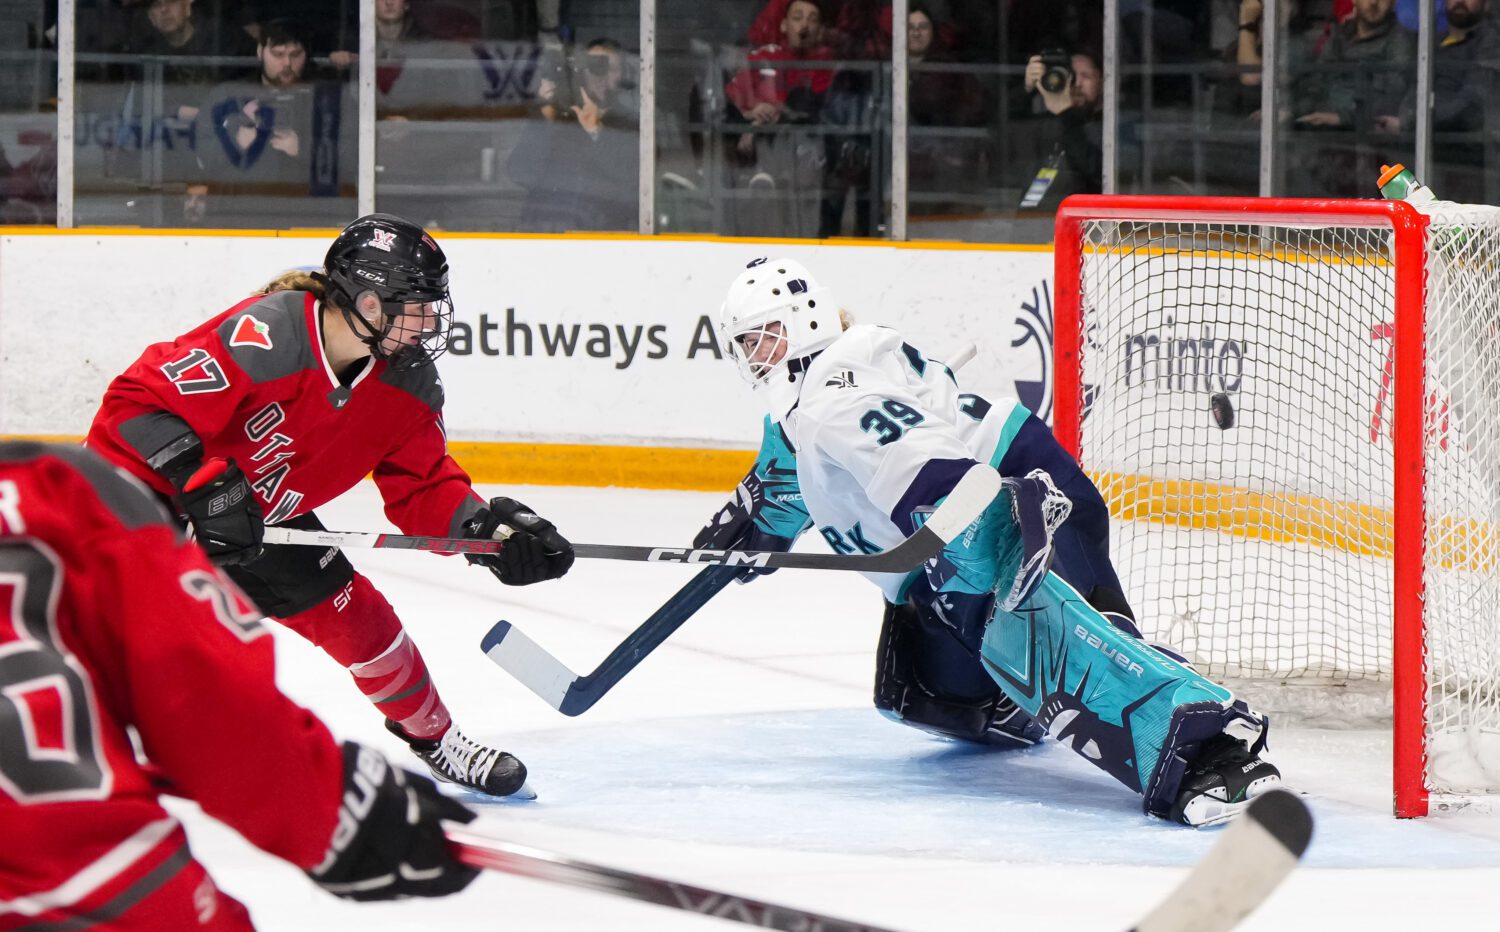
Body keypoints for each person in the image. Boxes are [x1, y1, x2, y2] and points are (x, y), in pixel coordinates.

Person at [694, 258, 1283, 827]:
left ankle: (1207, 748)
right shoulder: (816, 396)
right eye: (746, 343)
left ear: (805, 321)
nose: (754, 355)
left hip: (1011, 495)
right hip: (997, 487)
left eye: (763, 337)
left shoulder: (834, 402)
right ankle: (1073, 674)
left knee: (1044, 647)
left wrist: (974, 546)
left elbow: (923, 466)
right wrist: (760, 514)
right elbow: (806, 463)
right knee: (925, 692)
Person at [85, 213, 576, 799]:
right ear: (369, 303)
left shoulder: (411, 382)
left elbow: (422, 488)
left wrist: (487, 533)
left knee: (364, 623)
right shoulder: (269, 335)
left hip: (261, 521)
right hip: (147, 507)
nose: (429, 321)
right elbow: (135, 408)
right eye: (416, 305)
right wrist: (206, 487)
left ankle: (437, 740)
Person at [0, 440, 478, 927]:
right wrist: (335, 809)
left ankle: (434, 736)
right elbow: (204, 699)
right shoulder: (51, 491)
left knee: (362, 623)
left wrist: (480, 524)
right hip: (87, 884)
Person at [508, 37, 640, 232]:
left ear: (623, 74)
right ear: (582, 71)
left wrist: (597, 132)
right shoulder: (559, 117)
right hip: (546, 233)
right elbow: (520, 173)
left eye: (611, 69)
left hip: (601, 237)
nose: (602, 76)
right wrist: (543, 120)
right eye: (595, 67)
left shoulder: (630, 123)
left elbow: (634, 184)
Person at [1017, 48, 1102, 210]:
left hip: (1082, 227)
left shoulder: (1110, 125)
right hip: (1030, 223)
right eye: (1069, 75)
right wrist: (1027, 90)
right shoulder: (1048, 121)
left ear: (1104, 82)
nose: (1076, 83)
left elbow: (1092, 169)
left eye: (1086, 76)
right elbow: (999, 133)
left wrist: (1065, 112)